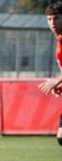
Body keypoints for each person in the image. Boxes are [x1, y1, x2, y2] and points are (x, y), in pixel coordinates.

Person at [38, 2, 62, 146]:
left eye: (56, 18)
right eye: (49, 19)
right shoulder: (59, 39)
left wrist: (56, 81)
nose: (52, 23)